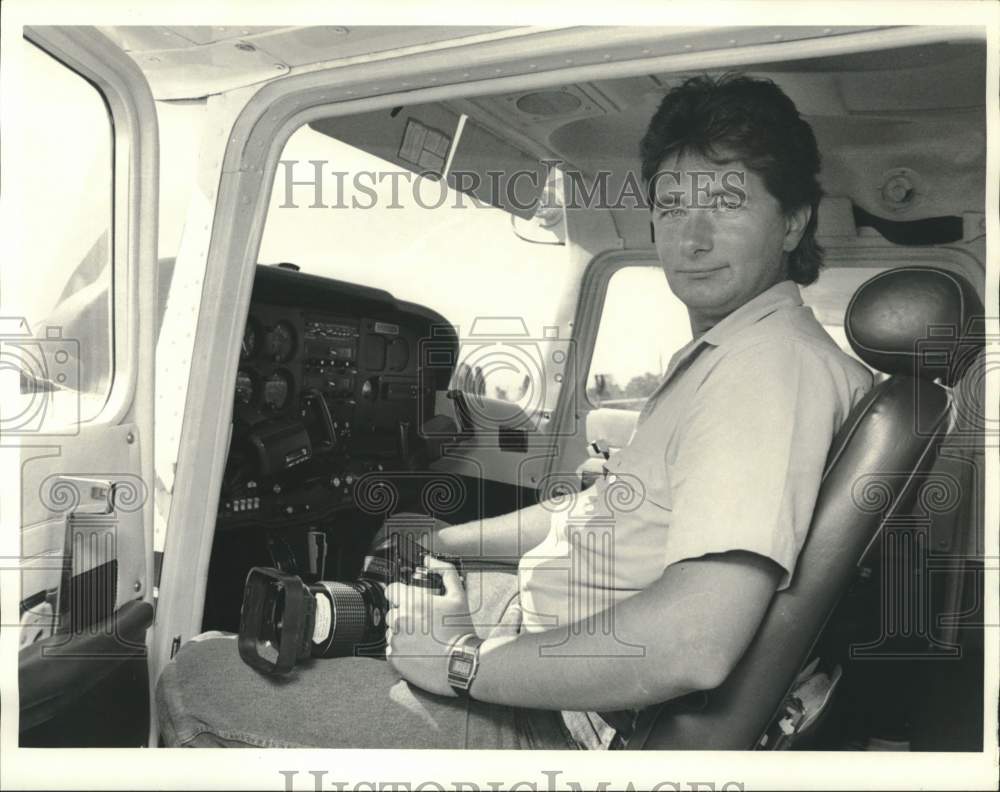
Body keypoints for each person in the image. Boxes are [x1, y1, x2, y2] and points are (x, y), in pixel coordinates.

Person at [156, 73, 873, 750]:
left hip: (577, 720)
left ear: (792, 222)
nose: (692, 238)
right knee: (410, 538)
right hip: (567, 629)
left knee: (197, 675)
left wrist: (461, 663)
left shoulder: (764, 373)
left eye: (727, 201)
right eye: (673, 206)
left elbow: (690, 643)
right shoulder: (738, 353)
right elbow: (590, 513)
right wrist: (449, 546)